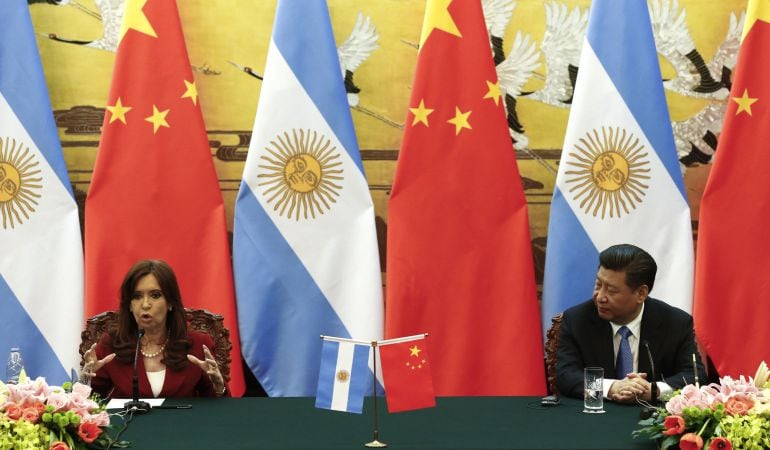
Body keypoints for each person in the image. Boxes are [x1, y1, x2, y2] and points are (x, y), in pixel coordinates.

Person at [555, 244, 706, 403]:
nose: (600, 297)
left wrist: (653, 391)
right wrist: (612, 388)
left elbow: (695, 376)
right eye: (598, 285)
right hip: (595, 416)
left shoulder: (675, 323)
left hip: (653, 419)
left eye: (611, 291)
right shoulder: (577, 320)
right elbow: (565, 375)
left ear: (641, 293)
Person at [82, 259, 227, 398]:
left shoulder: (197, 345)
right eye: (137, 296)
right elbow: (89, 404)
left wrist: (219, 386)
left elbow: (218, 409)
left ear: (170, 302)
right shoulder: (111, 345)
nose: (145, 304)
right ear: (129, 306)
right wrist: (85, 382)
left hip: (182, 423)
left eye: (155, 295)